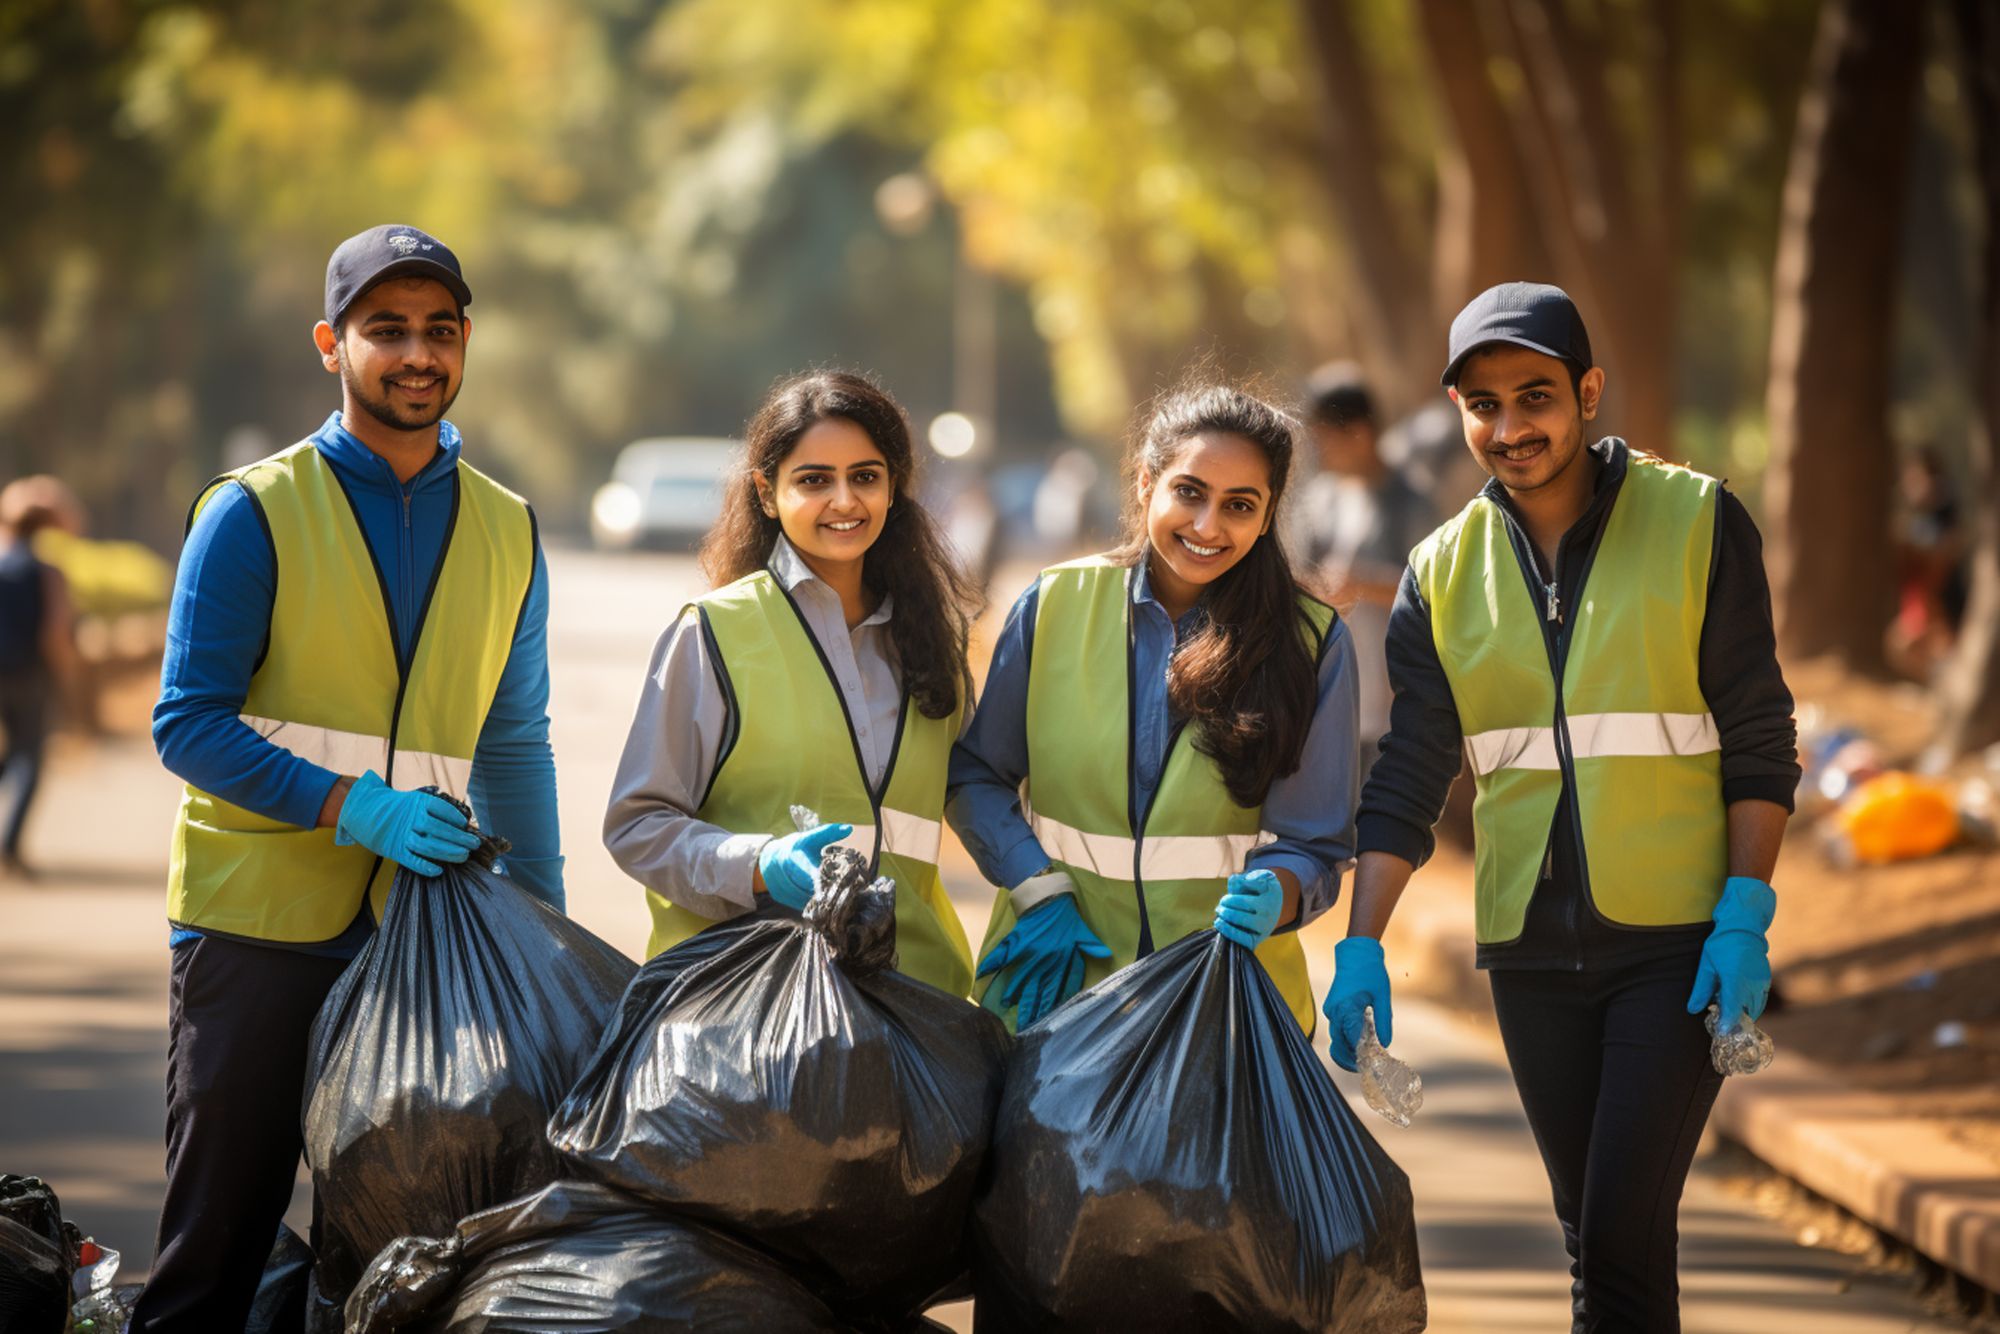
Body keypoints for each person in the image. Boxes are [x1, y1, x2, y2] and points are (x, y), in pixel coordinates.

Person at [1321, 282, 1799, 1333]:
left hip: (1675, 943)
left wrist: (1741, 910)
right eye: (1480, 404)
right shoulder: (1438, 572)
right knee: (1595, 1237)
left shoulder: (1696, 520)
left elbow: (1758, 734)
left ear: (1585, 392)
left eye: (1532, 395)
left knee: (1620, 1229)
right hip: (1528, 948)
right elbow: (1409, 770)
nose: (1507, 427)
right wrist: (1360, 943)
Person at [135, 224, 563, 1333]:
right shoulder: (252, 510)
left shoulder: (509, 528)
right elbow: (188, 725)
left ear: (467, 342)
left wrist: (544, 937)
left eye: (439, 330)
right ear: (333, 343)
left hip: (422, 940)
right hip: (258, 935)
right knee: (215, 1249)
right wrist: (355, 807)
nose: (415, 354)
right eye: (386, 330)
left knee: (399, 1262)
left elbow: (514, 741)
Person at [947, 383, 1359, 1033]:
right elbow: (976, 777)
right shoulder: (1054, 606)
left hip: (1225, 1005)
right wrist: (1035, 888)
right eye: (1189, 492)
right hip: (1060, 984)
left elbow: (1318, 840)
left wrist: (1278, 894)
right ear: (1146, 483)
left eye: (1239, 505)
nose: (1207, 526)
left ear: (1268, 512)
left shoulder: (1313, 643)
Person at [605, 370, 981, 994]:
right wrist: (755, 864)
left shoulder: (936, 639)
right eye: (814, 480)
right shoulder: (713, 634)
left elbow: (979, 792)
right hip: (749, 1006)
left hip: (914, 1006)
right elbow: (637, 826)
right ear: (766, 492)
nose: (844, 501)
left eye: (865, 477)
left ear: (893, 489)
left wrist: (1037, 886)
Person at [1297, 363, 1440, 777]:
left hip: (1393, 707)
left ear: (1359, 434)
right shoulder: (1322, 500)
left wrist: (1364, 585)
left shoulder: (1412, 504)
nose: (1319, 452)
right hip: (1332, 704)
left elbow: (1438, 593)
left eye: (1326, 439)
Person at [0, 478, 81, 878]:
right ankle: (10, 847)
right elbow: (55, 632)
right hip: (29, 676)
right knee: (28, 757)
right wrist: (68, 681)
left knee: (10, 755)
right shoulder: (47, 571)